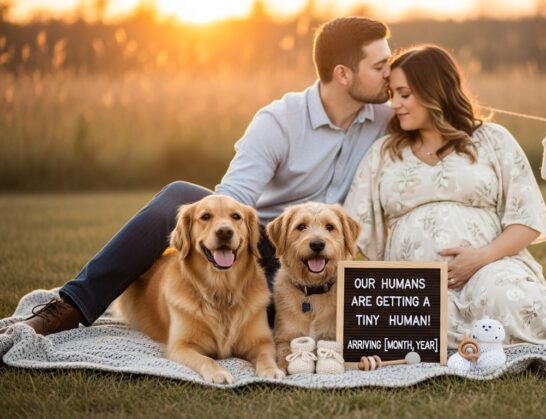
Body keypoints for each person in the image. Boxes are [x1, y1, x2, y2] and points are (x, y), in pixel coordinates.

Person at [1, 16, 393, 336]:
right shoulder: (279, 122)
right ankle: (71, 306)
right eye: (381, 66)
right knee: (178, 197)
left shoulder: (385, 116)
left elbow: (441, 123)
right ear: (343, 74)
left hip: (334, 264)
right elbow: (231, 200)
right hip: (271, 251)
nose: (391, 75)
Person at [343, 45, 546, 347]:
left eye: (404, 94)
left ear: (434, 91)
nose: (394, 104)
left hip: (491, 267)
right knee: (418, 323)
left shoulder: (492, 139)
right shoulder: (384, 152)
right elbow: (350, 229)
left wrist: (478, 260)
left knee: (504, 297)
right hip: (416, 281)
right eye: (391, 94)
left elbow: (528, 219)